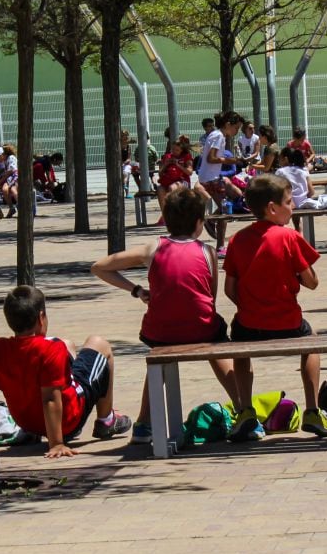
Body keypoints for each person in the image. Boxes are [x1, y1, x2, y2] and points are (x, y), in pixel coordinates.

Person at [91, 187, 247, 444]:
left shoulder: (154, 248)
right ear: (199, 223)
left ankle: (143, 423)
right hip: (201, 329)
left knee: (159, 358)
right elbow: (211, 297)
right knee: (217, 344)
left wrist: (137, 290)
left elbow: (100, 267)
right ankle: (243, 410)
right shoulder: (207, 251)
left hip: (161, 332)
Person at [222, 174, 327, 440]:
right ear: (272, 208)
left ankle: (247, 411)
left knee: (240, 347)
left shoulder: (237, 240)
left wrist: (251, 304)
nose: (293, 206)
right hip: (288, 323)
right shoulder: (289, 237)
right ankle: (312, 409)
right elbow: (312, 282)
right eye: (289, 202)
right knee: (312, 341)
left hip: (249, 323)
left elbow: (229, 289)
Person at [0, 286, 132, 458]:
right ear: (41, 318)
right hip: (68, 422)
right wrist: (56, 443)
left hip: (27, 423)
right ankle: (106, 420)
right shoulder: (50, 349)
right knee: (100, 344)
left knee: (67, 344)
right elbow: (50, 398)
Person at [195, 111, 245, 257]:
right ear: (228, 124)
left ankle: (211, 222)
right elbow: (211, 158)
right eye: (236, 128)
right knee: (225, 210)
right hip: (211, 178)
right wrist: (230, 161)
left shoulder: (216, 135)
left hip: (211, 177)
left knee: (236, 196)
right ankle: (220, 244)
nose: (236, 132)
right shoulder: (218, 136)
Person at [276, 146, 317, 233]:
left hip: (287, 204)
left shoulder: (280, 171)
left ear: (286, 159)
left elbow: (277, 190)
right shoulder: (303, 170)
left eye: (279, 159)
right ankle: (299, 236)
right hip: (302, 204)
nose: (278, 161)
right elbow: (311, 192)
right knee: (297, 222)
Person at [156, 136, 194, 223]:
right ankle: (165, 215)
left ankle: (174, 215)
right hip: (168, 181)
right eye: (172, 149)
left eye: (176, 150)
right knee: (160, 189)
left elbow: (189, 172)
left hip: (182, 181)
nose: (174, 152)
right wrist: (166, 164)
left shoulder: (186, 157)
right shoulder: (167, 156)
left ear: (181, 150)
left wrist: (178, 165)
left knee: (172, 188)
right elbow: (160, 173)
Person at [0, 144, 19, 216]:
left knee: (13, 189)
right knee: (4, 190)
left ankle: (21, 206)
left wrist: (1, 180)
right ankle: (11, 208)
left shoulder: (11, 157)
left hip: (14, 176)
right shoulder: (5, 160)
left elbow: (11, 170)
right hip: (9, 177)